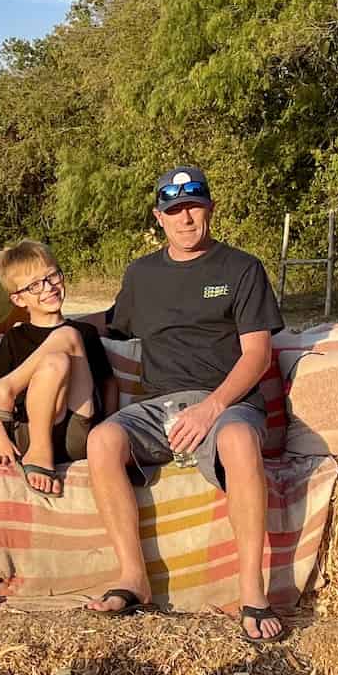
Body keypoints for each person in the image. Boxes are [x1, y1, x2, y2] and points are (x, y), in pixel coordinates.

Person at [85, 167, 287, 643]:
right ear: (160, 217)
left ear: (210, 208)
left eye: (193, 206)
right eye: (174, 210)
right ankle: (134, 579)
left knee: (238, 439)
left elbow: (258, 354)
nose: (185, 218)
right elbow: (111, 324)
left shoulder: (241, 269)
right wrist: (44, 324)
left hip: (228, 402)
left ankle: (252, 592)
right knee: (102, 439)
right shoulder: (142, 274)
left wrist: (212, 408)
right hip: (159, 407)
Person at [0, 240, 117, 497]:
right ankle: (40, 451)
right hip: (28, 435)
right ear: (19, 299)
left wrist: (108, 428)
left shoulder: (84, 333)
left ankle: (7, 392)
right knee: (55, 362)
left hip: (77, 431)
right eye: (35, 285)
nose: (49, 287)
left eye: (52, 276)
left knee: (67, 338)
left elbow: (107, 384)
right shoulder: (15, 337)